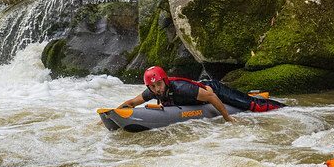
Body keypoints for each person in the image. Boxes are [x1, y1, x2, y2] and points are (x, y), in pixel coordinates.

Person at [117, 66, 284, 123]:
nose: (157, 89)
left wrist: (227, 118)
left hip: (214, 90)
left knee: (252, 105)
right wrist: (113, 114)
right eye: (153, 86)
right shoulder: (151, 92)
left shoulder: (182, 88)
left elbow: (210, 96)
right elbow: (132, 103)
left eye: (159, 84)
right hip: (203, 97)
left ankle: (284, 107)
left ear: (165, 81)